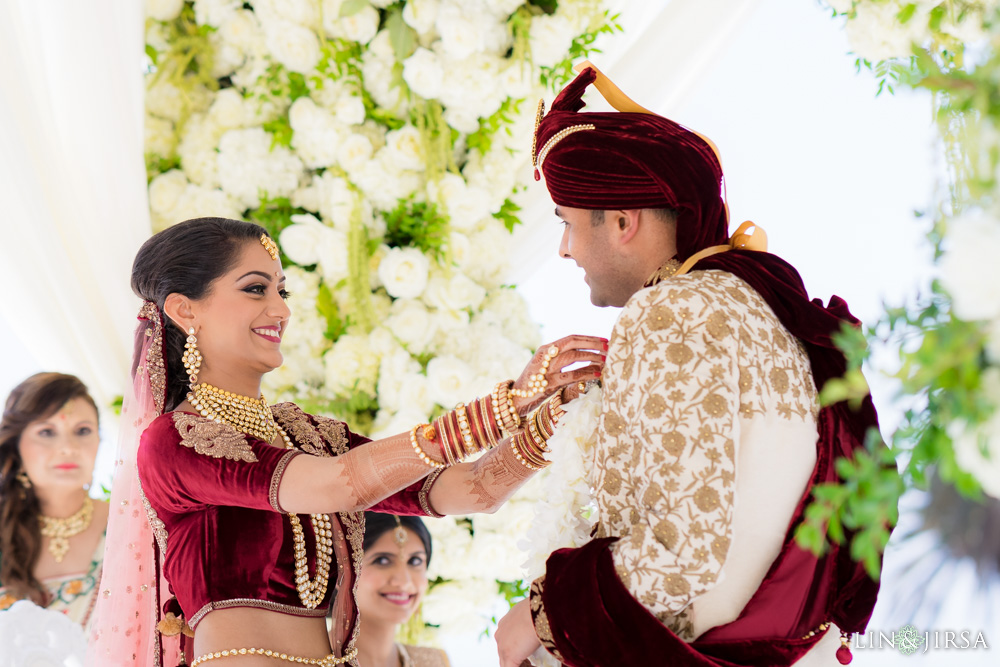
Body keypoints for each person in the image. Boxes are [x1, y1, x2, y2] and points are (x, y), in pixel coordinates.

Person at [494, 64, 886, 667]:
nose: (565, 249)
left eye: (568, 225)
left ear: (623, 222)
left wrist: (541, 621)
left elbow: (684, 548)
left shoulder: (674, 309)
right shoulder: (758, 307)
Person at [86, 217, 605, 667]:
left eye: (281, 291)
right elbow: (343, 485)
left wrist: (556, 410)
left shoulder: (312, 437)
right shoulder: (176, 441)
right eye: (255, 289)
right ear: (184, 309)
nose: (281, 310)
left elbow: (473, 490)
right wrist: (503, 405)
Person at [0, 372, 109, 630]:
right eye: (47, 432)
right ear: (16, 447)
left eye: (83, 430)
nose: (68, 447)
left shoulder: (132, 525)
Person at [355, 512, 448, 667]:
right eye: (382, 560)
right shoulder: (309, 661)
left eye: (415, 561)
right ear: (342, 572)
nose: (404, 582)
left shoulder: (434, 661)